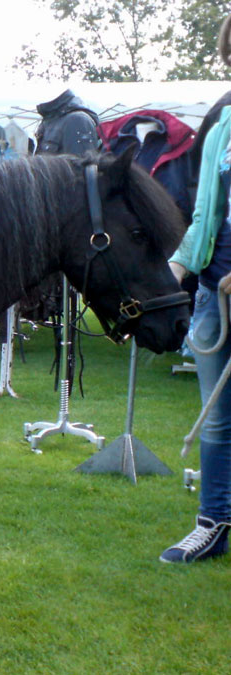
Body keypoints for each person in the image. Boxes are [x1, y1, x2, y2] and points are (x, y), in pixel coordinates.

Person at [162, 94, 231, 563]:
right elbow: (206, 215)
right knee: (217, 422)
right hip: (214, 293)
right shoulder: (223, 123)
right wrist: (176, 268)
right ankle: (212, 524)